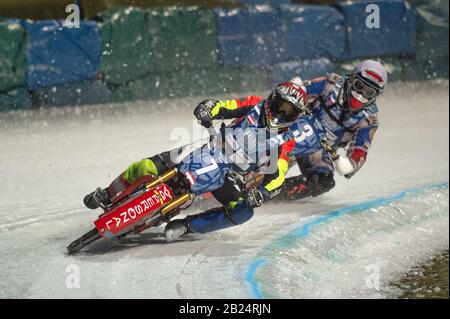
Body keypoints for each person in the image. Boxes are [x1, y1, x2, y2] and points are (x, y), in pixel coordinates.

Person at [83, 82, 310, 241]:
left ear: (296, 117)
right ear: (272, 99)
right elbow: (225, 106)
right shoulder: (254, 105)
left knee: (243, 212)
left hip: (228, 175)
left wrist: (263, 193)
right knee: (146, 166)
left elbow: (278, 175)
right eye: (280, 105)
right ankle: (107, 193)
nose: (280, 114)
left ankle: (187, 226)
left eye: (289, 112)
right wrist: (208, 108)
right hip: (209, 148)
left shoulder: (284, 141)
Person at [281, 60, 388, 200]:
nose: (360, 94)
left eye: (369, 92)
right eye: (359, 86)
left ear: (375, 96)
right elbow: (303, 91)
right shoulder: (331, 84)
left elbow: (360, 151)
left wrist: (351, 165)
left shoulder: (368, 121)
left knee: (324, 181)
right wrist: (295, 90)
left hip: (320, 150)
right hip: (294, 127)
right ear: (351, 79)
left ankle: (276, 195)